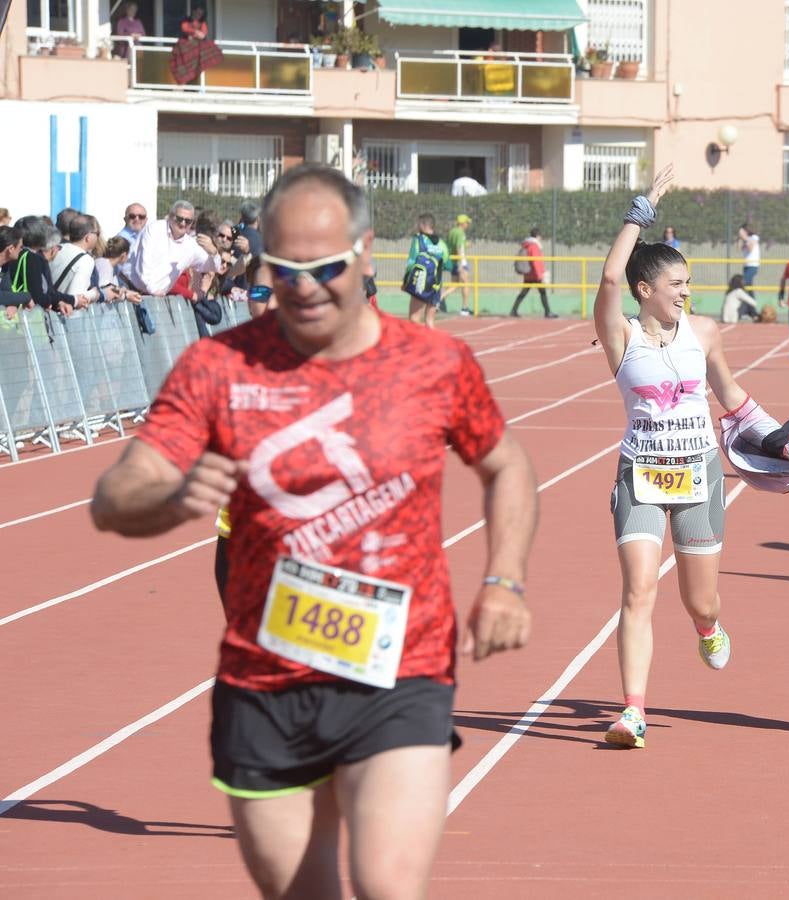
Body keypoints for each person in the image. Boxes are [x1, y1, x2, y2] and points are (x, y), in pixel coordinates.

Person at [89, 163, 537, 898]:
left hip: (399, 667)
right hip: (265, 680)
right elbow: (114, 496)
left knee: (387, 884)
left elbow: (508, 464)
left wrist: (504, 580)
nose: (303, 287)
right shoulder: (218, 367)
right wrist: (168, 501)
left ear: (365, 253)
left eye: (325, 268)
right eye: (284, 269)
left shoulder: (433, 362)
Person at [592, 165, 789, 748]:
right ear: (645, 290)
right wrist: (643, 208)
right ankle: (633, 712)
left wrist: (786, 438)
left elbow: (732, 399)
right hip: (640, 473)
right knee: (637, 590)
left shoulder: (704, 332)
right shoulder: (621, 336)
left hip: (698, 474)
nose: (687, 290)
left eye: (687, 283)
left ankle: (708, 626)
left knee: (697, 597)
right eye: (677, 283)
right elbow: (610, 276)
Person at [125, 200, 221, 297]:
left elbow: (213, 267)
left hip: (154, 295)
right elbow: (143, 265)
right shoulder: (155, 229)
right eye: (180, 219)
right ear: (171, 216)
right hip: (130, 287)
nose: (183, 223)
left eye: (188, 221)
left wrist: (213, 252)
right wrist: (153, 290)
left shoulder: (191, 245)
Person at [402, 213, 450, 328]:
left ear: (423, 225)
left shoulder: (419, 239)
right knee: (430, 321)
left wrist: (405, 281)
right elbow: (447, 263)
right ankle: (433, 345)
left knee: (414, 319)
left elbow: (412, 261)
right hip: (436, 285)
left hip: (421, 283)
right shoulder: (441, 243)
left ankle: (417, 345)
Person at [170, 6, 223, 85]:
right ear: (193, 11)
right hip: (186, 47)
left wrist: (194, 35)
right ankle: (184, 82)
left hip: (197, 47)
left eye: (200, 14)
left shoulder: (202, 23)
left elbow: (203, 34)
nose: (198, 15)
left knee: (202, 58)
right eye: (197, 12)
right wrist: (195, 32)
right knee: (183, 63)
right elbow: (185, 29)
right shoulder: (186, 21)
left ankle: (197, 84)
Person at [510, 227, 555, 317]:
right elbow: (536, 261)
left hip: (529, 274)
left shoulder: (526, 244)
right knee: (542, 293)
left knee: (524, 293)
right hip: (534, 274)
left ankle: (514, 310)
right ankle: (547, 312)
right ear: (537, 236)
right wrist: (540, 275)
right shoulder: (534, 246)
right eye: (540, 236)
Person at [446, 213, 472, 316]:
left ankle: (438, 300)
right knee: (466, 283)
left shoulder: (452, 231)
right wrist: (461, 264)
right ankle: (464, 308)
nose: (468, 225)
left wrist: (466, 245)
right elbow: (458, 247)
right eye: (467, 223)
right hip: (459, 261)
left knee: (454, 285)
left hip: (453, 261)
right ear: (463, 223)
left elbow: (455, 244)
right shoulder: (460, 233)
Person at [736, 223, 760, 289]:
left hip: (753, 265)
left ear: (745, 231)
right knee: (749, 287)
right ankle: (752, 299)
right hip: (746, 265)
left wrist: (744, 238)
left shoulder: (754, 237)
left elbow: (750, 248)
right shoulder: (744, 239)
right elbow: (738, 249)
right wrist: (740, 238)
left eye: (741, 232)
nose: (740, 233)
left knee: (744, 283)